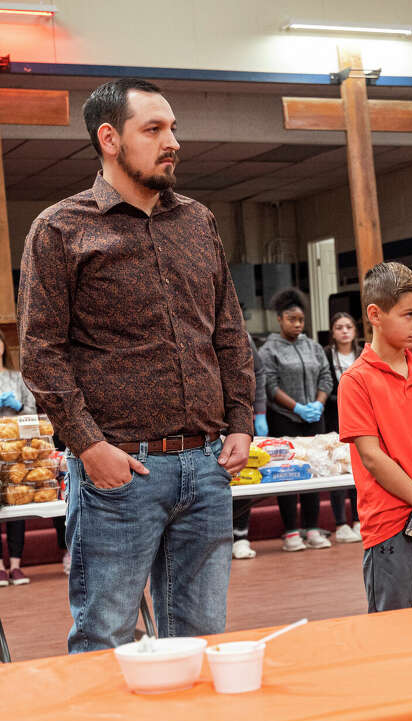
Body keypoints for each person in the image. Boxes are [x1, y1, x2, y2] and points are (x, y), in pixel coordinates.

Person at [18, 78, 253, 653]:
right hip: (120, 474)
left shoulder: (198, 222)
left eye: (172, 128)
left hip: (206, 466)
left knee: (200, 636)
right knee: (106, 635)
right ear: (110, 139)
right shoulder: (60, 229)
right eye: (154, 130)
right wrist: (89, 446)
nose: (172, 142)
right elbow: (40, 352)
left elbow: (228, 330)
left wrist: (243, 421)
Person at [338, 262, 412, 611]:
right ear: (375, 314)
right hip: (391, 526)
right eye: (409, 314)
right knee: (393, 633)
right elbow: (373, 458)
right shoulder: (356, 380)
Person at [260, 288, 334, 550]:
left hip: (314, 418)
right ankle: (291, 531)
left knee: (313, 470)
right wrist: (297, 407)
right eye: (292, 319)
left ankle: (313, 528)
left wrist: (317, 403)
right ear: (280, 319)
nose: (298, 325)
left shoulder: (313, 346)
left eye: (301, 320)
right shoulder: (269, 350)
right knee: (287, 474)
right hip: (285, 419)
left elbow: (326, 376)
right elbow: (269, 384)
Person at [0, 333, 37, 587]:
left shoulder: (17, 377)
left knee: (16, 504)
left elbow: (33, 411)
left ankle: (15, 564)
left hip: (16, 450)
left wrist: (18, 407)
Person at [324, 311, 363, 544]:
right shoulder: (327, 355)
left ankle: (359, 519)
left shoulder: (363, 353)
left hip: (361, 418)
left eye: (348, 326)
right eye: (339, 327)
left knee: (359, 469)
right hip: (334, 418)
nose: (345, 331)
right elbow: (326, 385)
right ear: (333, 332)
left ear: (355, 330)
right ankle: (340, 523)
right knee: (338, 469)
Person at [232, 330, 267, 559]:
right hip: (206, 421)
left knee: (244, 476)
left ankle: (241, 536)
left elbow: (259, 371)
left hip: (241, 417)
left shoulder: (241, 335)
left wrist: (260, 411)